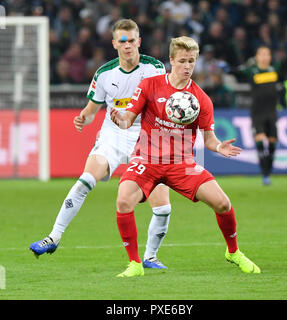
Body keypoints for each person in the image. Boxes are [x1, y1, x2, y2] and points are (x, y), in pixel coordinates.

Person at [110, 36, 261, 277]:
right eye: (182, 61)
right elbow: (129, 117)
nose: (187, 66)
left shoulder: (201, 99)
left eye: (192, 61)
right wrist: (122, 118)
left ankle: (233, 252)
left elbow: (209, 139)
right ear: (171, 61)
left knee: (223, 203)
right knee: (123, 201)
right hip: (147, 159)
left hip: (182, 164)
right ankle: (135, 264)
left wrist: (218, 147)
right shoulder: (149, 85)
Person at [30, 19, 172, 269]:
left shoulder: (155, 68)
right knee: (86, 179)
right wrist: (83, 118)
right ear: (115, 43)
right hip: (113, 134)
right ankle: (53, 237)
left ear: (139, 41)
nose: (128, 45)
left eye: (132, 40)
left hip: (146, 135)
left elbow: (166, 101)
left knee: (162, 207)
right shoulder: (104, 73)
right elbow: (92, 108)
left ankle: (150, 257)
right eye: (123, 41)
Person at [225, 44, 287, 185]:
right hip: (257, 114)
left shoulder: (274, 70)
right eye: (262, 54)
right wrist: (227, 69)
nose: (265, 56)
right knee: (260, 141)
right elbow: (237, 72)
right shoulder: (252, 71)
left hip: (272, 113)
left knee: (272, 144)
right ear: (257, 57)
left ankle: (268, 172)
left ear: (270, 57)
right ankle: (265, 174)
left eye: (267, 54)